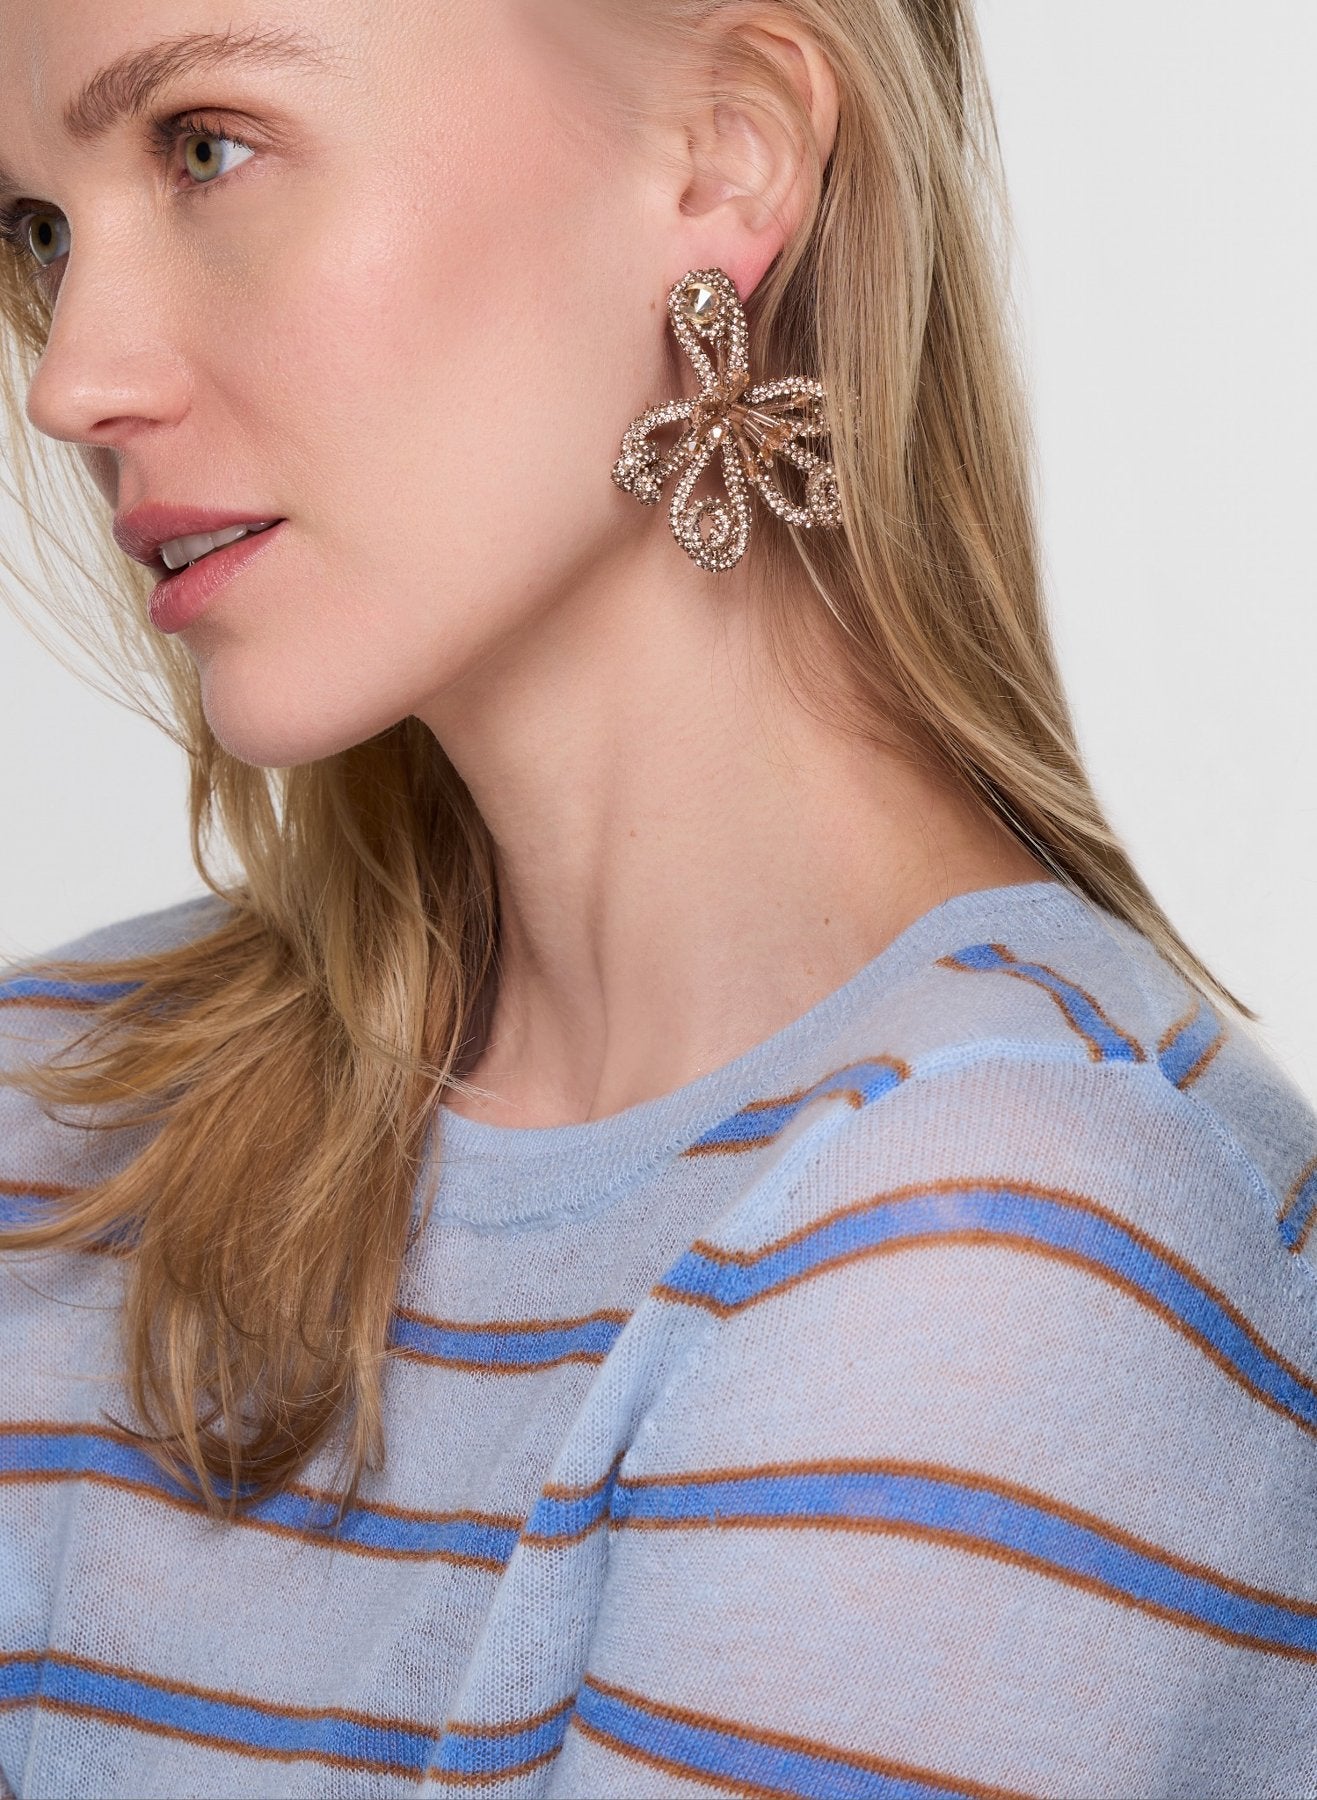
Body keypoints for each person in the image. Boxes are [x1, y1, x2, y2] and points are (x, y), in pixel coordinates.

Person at [0, 0, 1313, 1795]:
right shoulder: (58, 1118)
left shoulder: (999, 1244)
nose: (72, 375)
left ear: (723, 148)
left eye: (205, 146)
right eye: (40, 229)